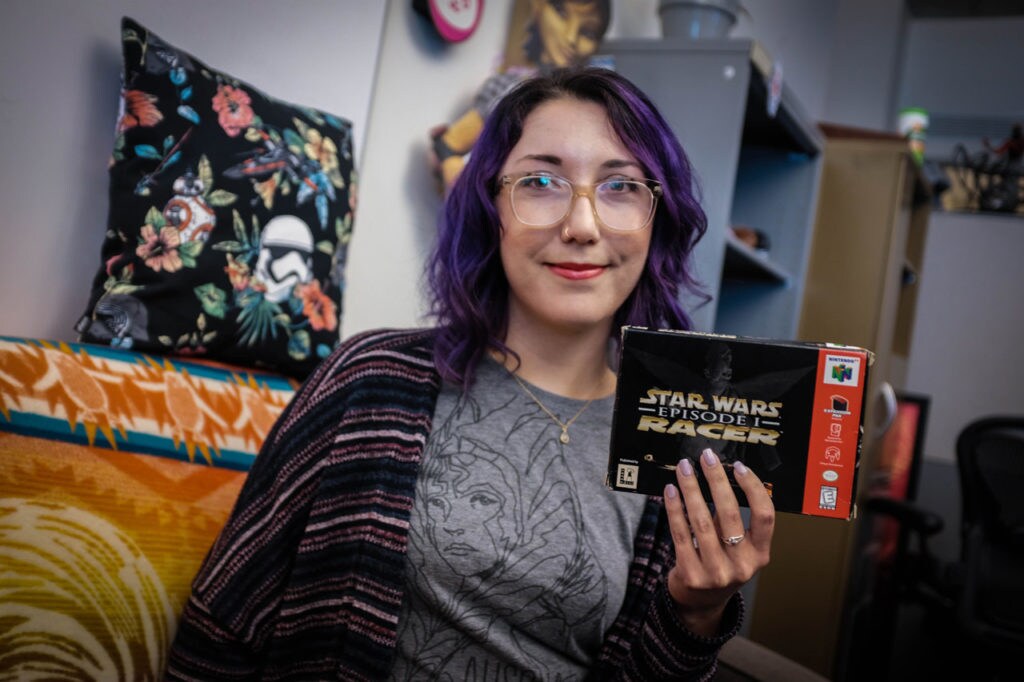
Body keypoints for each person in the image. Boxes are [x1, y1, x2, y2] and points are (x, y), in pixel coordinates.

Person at [166, 66, 775, 680]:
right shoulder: (370, 377)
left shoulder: (677, 446)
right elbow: (221, 625)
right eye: (541, 181)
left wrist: (696, 617)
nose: (583, 226)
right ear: (491, 208)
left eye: (620, 188)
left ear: (657, 219)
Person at [432, 0, 611, 191]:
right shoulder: (511, 89)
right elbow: (447, 147)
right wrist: (468, 191)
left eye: (588, 33)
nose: (571, 39)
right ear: (538, 9)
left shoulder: (590, 104)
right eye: (561, 14)